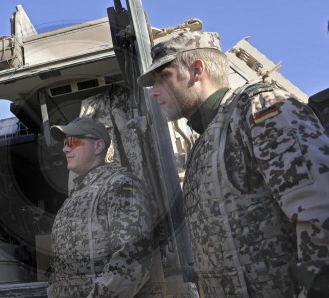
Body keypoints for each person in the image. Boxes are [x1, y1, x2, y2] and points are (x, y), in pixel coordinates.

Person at [137, 29, 329, 297]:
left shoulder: (259, 108)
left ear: (196, 70)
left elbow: (321, 213)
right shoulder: (204, 143)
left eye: (163, 78)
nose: (154, 92)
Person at [47, 116, 165, 297]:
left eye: (72, 141)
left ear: (98, 146)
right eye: (64, 143)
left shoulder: (120, 186)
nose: (65, 148)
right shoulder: (73, 199)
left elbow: (132, 259)